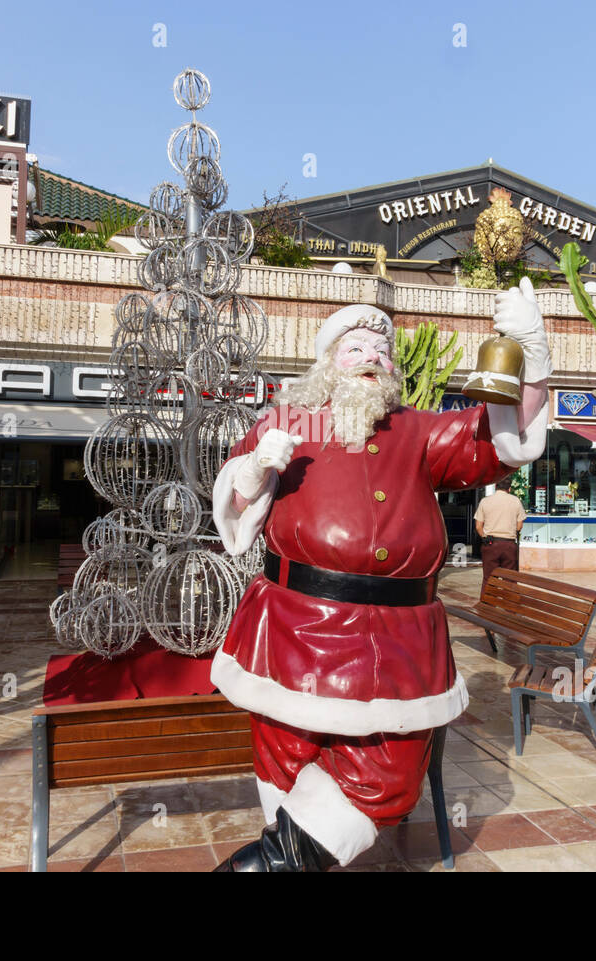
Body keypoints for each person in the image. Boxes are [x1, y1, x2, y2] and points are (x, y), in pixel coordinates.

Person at [209, 280, 552, 870]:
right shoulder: (291, 421)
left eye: (381, 350)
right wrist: (253, 471)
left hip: (398, 641)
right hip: (293, 625)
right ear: (328, 363)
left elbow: (503, 440)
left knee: (388, 772)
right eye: (356, 348)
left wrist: (531, 352)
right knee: (284, 759)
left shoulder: (418, 432)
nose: (373, 357)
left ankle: (264, 865)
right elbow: (236, 502)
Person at [474, 476, 526, 582]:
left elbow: (478, 526)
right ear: (509, 488)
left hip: (490, 544)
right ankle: (509, 598)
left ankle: (488, 599)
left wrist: (484, 537)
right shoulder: (515, 501)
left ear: (495, 487)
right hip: (509, 544)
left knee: (489, 579)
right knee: (510, 579)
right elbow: (519, 526)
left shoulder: (485, 501)